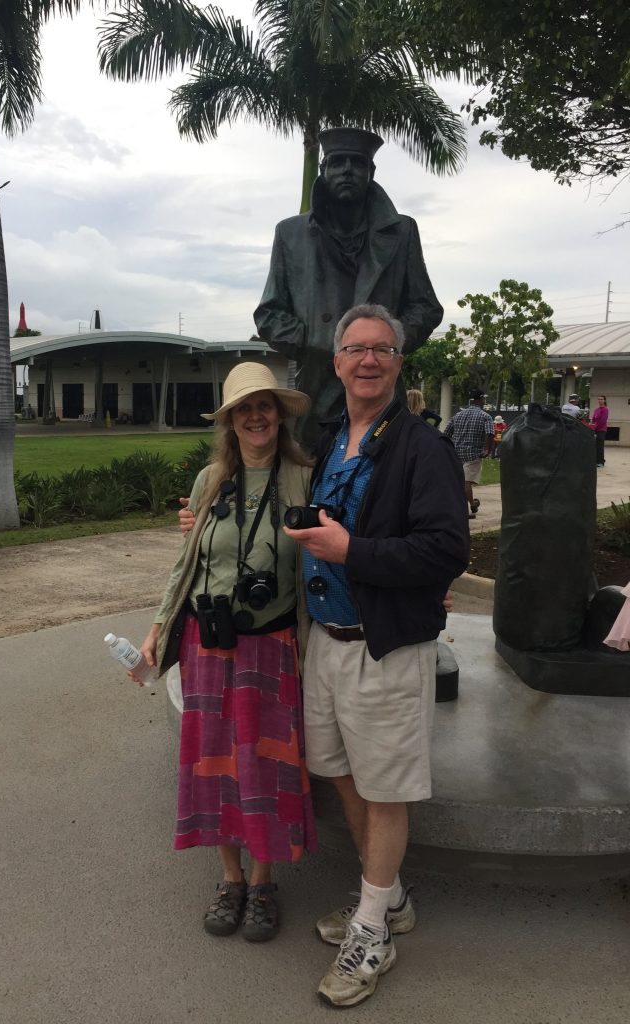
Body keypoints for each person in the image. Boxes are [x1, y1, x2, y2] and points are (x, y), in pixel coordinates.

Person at [283, 303, 469, 1007]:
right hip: (325, 644)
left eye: (381, 349)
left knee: (384, 790)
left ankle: (370, 931)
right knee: (344, 777)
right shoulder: (334, 438)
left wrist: (350, 551)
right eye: (355, 348)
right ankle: (387, 898)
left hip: (383, 648)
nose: (367, 360)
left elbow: (447, 549)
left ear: (398, 362)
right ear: (337, 363)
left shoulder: (423, 447)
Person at [136, 363, 317, 943]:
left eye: (265, 406)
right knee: (213, 761)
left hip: (272, 643)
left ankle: (263, 883)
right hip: (208, 644)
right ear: (231, 421)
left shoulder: (303, 478)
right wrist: (160, 624)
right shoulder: (210, 479)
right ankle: (229, 879)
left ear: (279, 414)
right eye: (244, 409)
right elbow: (186, 563)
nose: (256, 417)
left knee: (263, 764)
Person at [254, 127, 443, 447]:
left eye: (356, 163)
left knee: (385, 480)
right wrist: (312, 340)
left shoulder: (403, 232)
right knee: (312, 481)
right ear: (324, 169)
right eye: (337, 162)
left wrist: (385, 345)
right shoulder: (291, 233)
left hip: (379, 386)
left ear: (370, 172)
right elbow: (269, 313)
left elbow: (425, 307)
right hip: (317, 388)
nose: (346, 170)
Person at [443, 390, 494, 518]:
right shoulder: (485, 416)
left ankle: (463, 505)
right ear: (480, 400)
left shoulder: (458, 416)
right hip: (473, 454)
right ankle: (471, 504)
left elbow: (446, 434)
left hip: (456, 453)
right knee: (466, 482)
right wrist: (487, 450)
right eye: (484, 399)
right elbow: (490, 433)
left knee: (457, 482)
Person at [591, 394, 609, 466]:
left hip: (601, 430)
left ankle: (601, 462)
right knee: (595, 446)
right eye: (599, 399)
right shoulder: (596, 409)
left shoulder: (605, 409)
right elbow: (593, 419)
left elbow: (603, 420)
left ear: (604, 400)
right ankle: (596, 461)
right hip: (595, 429)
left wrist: (596, 427)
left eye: (601, 399)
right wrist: (592, 426)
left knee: (600, 446)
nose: (600, 400)